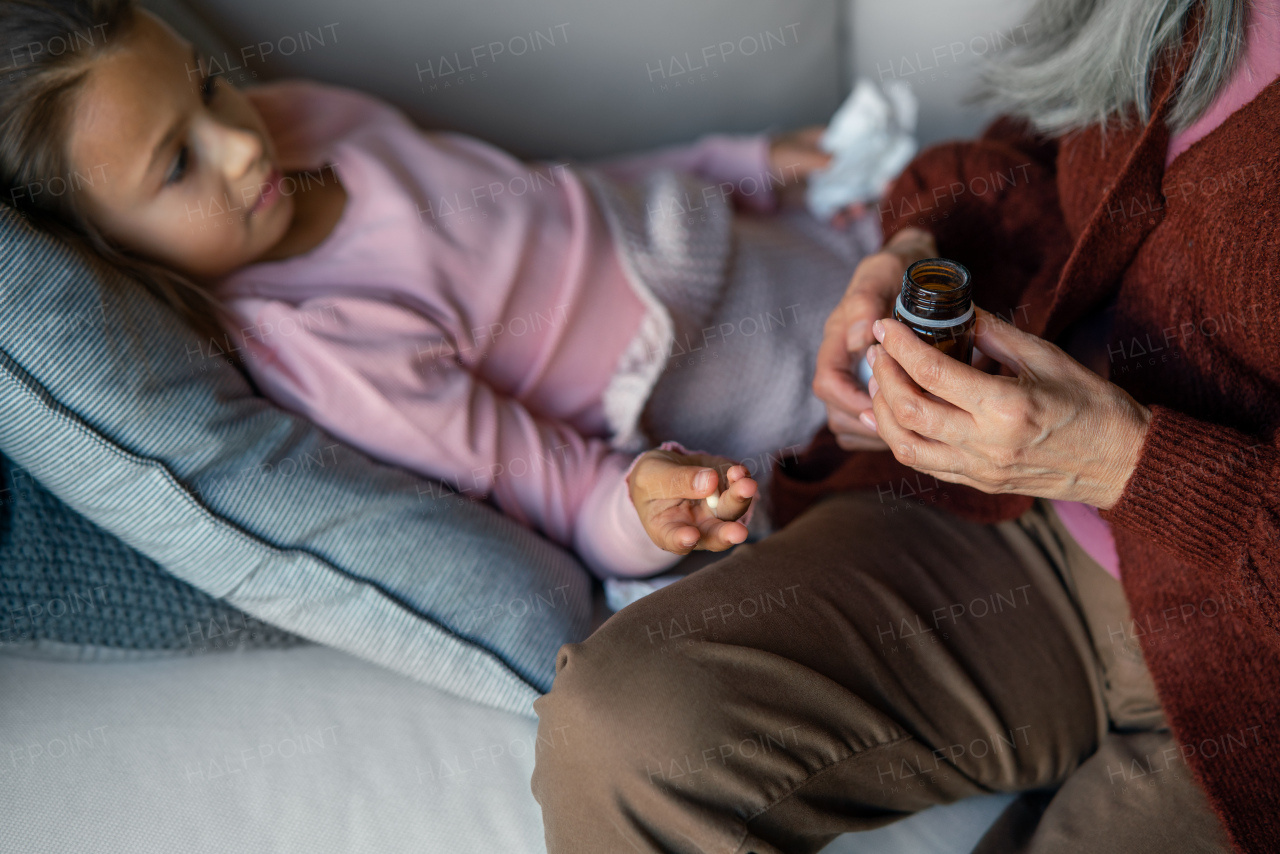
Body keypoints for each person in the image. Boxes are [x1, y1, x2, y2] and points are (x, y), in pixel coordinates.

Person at [529, 0, 1280, 851]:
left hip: (1253, 668)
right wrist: (924, 250)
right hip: (1013, 528)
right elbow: (1055, 137)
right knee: (622, 730)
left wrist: (1129, 467)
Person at [0, 0, 881, 579]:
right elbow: (559, 491)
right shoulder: (321, 338)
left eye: (207, 85)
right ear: (109, 249)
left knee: (974, 224)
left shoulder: (300, 119)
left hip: (766, 242)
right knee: (929, 394)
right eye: (178, 162)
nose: (239, 143)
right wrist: (644, 511)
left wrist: (736, 164)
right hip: (755, 390)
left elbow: (549, 195)